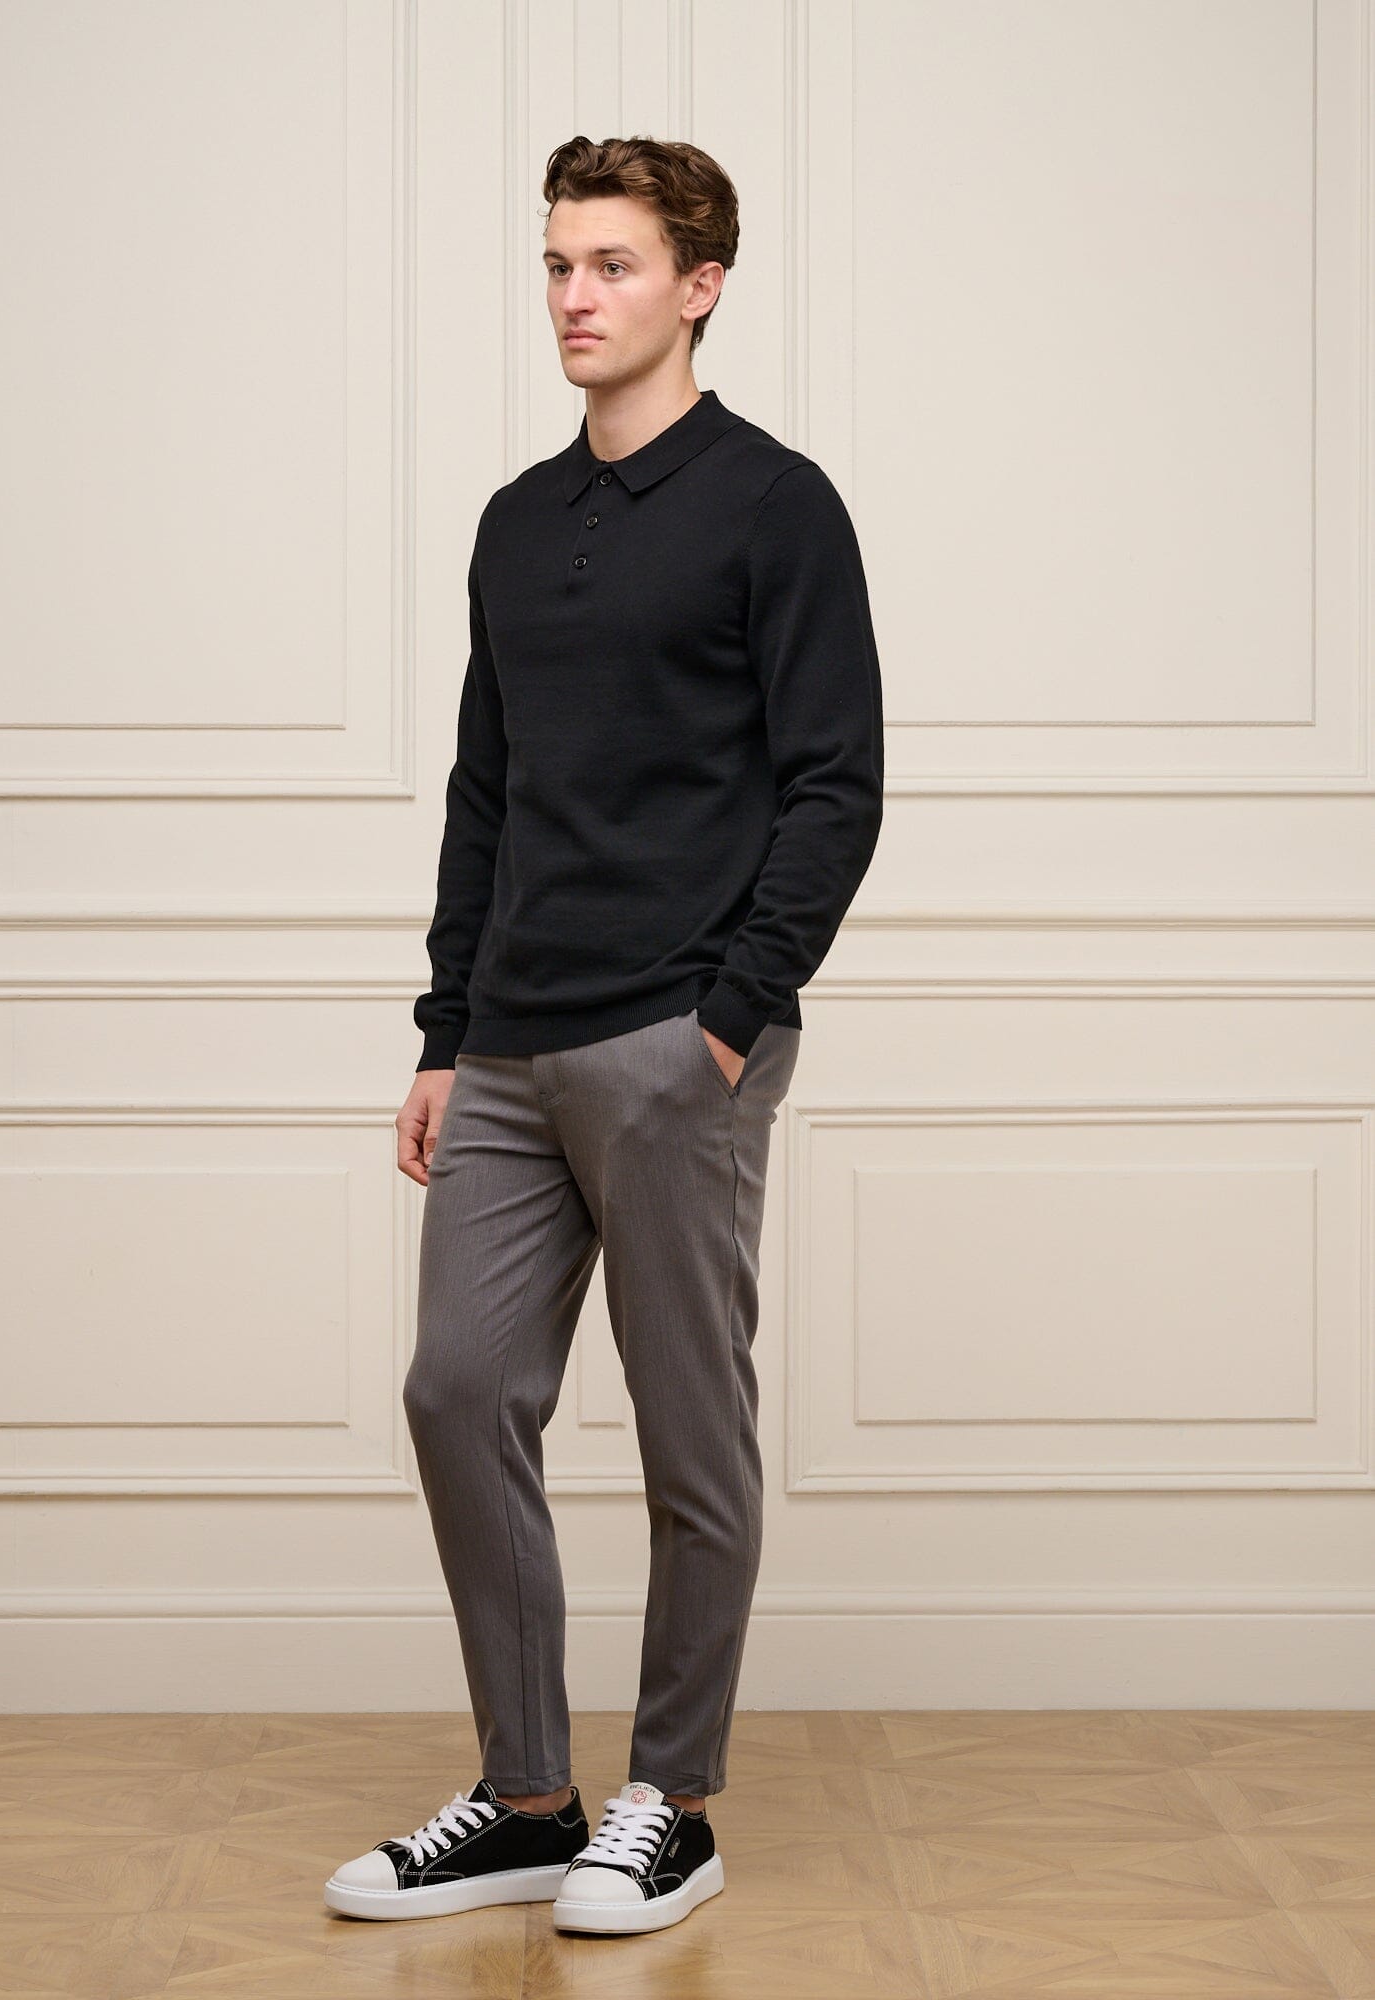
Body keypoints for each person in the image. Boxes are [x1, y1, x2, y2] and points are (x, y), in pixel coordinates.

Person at [326, 132, 884, 1937]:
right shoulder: (515, 519)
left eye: (614, 265)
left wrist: (730, 1018)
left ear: (700, 286)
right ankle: (524, 1798)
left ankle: (675, 1802)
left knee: (687, 1432)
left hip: (675, 1037)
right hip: (508, 1039)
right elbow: (486, 793)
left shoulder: (775, 504)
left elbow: (837, 785)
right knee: (457, 1390)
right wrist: (443, 1031)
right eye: (559, 264)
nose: (575, 296)